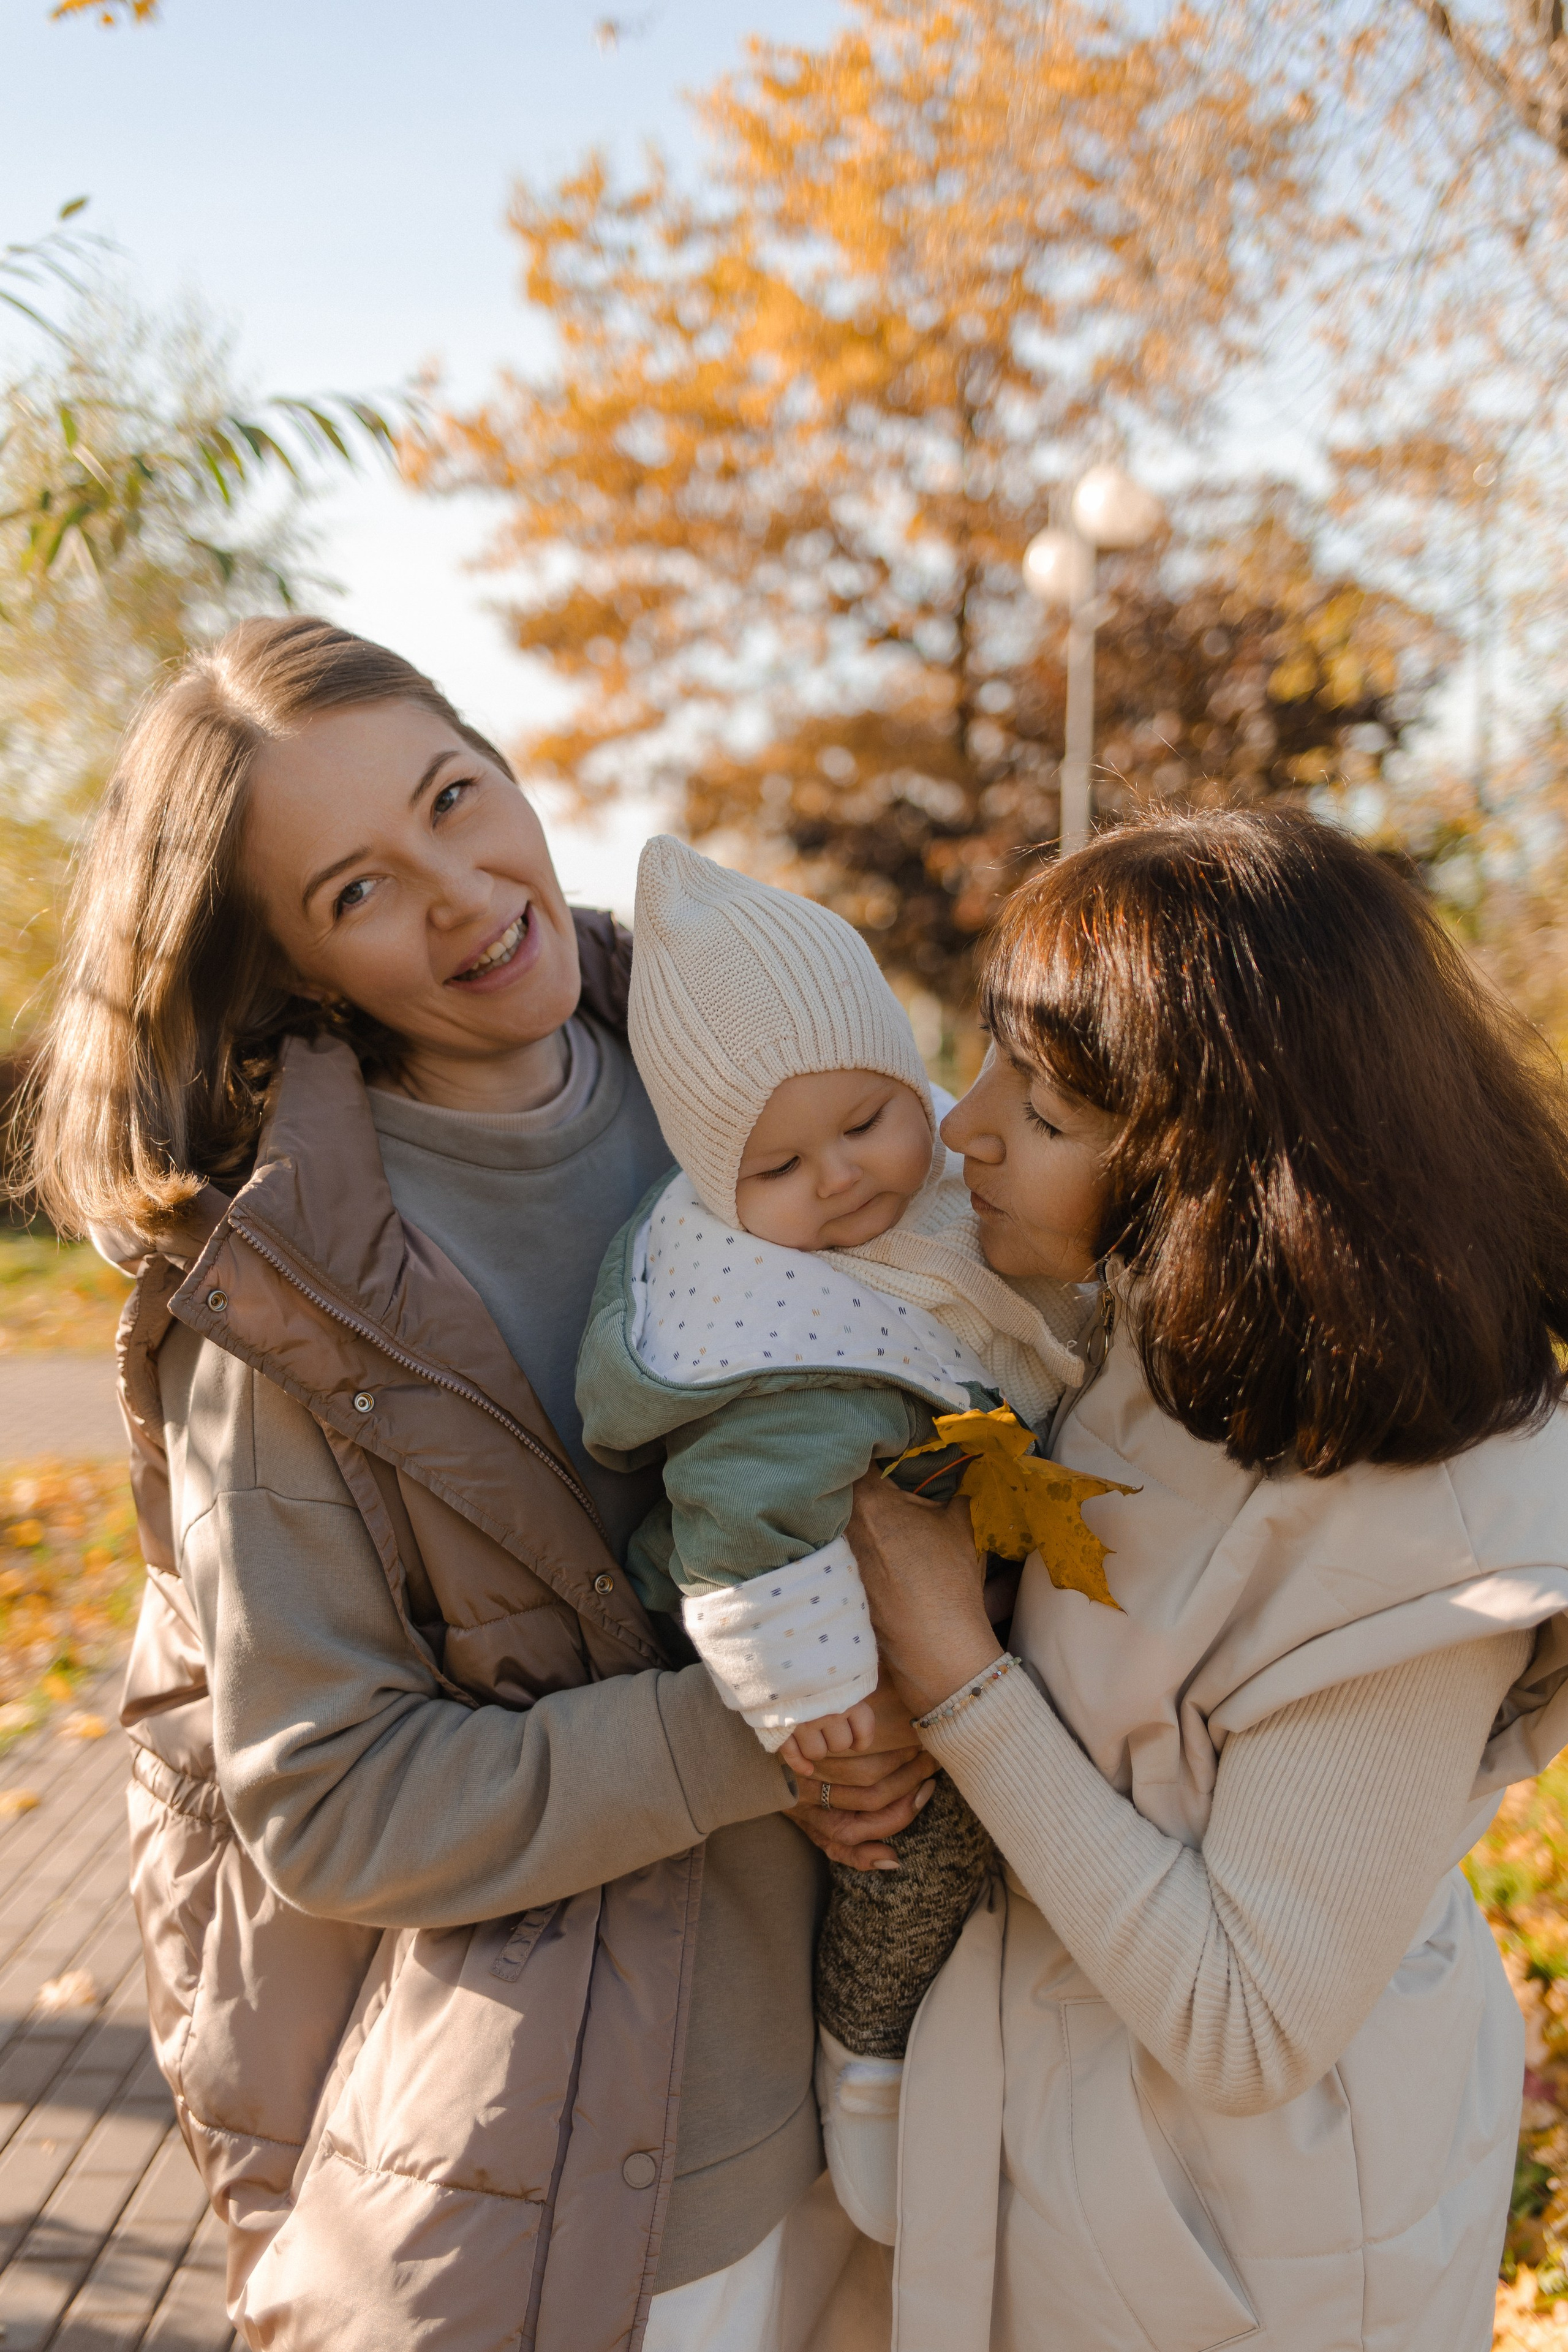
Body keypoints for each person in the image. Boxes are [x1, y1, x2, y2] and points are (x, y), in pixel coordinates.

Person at [20, 615, 921, 2352]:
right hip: (644, 2173)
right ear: (291, 970)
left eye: (455, 796)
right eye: (358, 890)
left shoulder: (758, 1069)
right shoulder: (281, 1313)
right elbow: (333, 1800)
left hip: (953, 2073)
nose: (461, 894)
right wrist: (766, 1732)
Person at [847, 807, 1568, 2352]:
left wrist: (952, 1677)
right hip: (1070, 2181)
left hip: (1244, 2255)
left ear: (1220, 1172)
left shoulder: (1414, 1521)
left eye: (1034, 1110)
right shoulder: (1164, 1343)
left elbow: (1249, 2023)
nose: (958, 1130)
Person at [575, 836, 1086, 2234]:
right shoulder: (769, 1336)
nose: (842, 1181)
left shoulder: (950, 1183)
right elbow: (743, 1530)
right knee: (904, 1844)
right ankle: (864, 2053)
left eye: (864, 1121)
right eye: (778, 1168)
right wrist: (825, 1709)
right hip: (826, 1641)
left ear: (899, 1070)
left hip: (958, 1570)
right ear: (710, 1182)